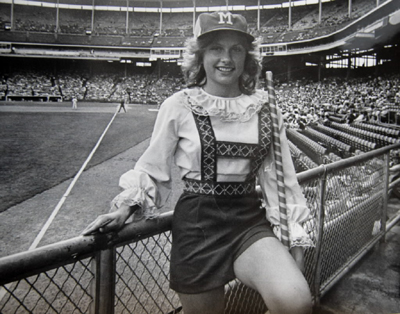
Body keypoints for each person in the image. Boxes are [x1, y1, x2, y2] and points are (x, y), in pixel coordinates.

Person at [82, 11, 313, 314]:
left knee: (296, 302)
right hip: (197, 226)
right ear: (200, 55)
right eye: (216, 48)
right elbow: (153, 169)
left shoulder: (266, 109)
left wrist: (293, 235)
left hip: (247, 220)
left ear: (247, 57)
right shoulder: (178, 105)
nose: (226, 58)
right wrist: (126, 205)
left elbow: (279, 178)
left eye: (236, 49)